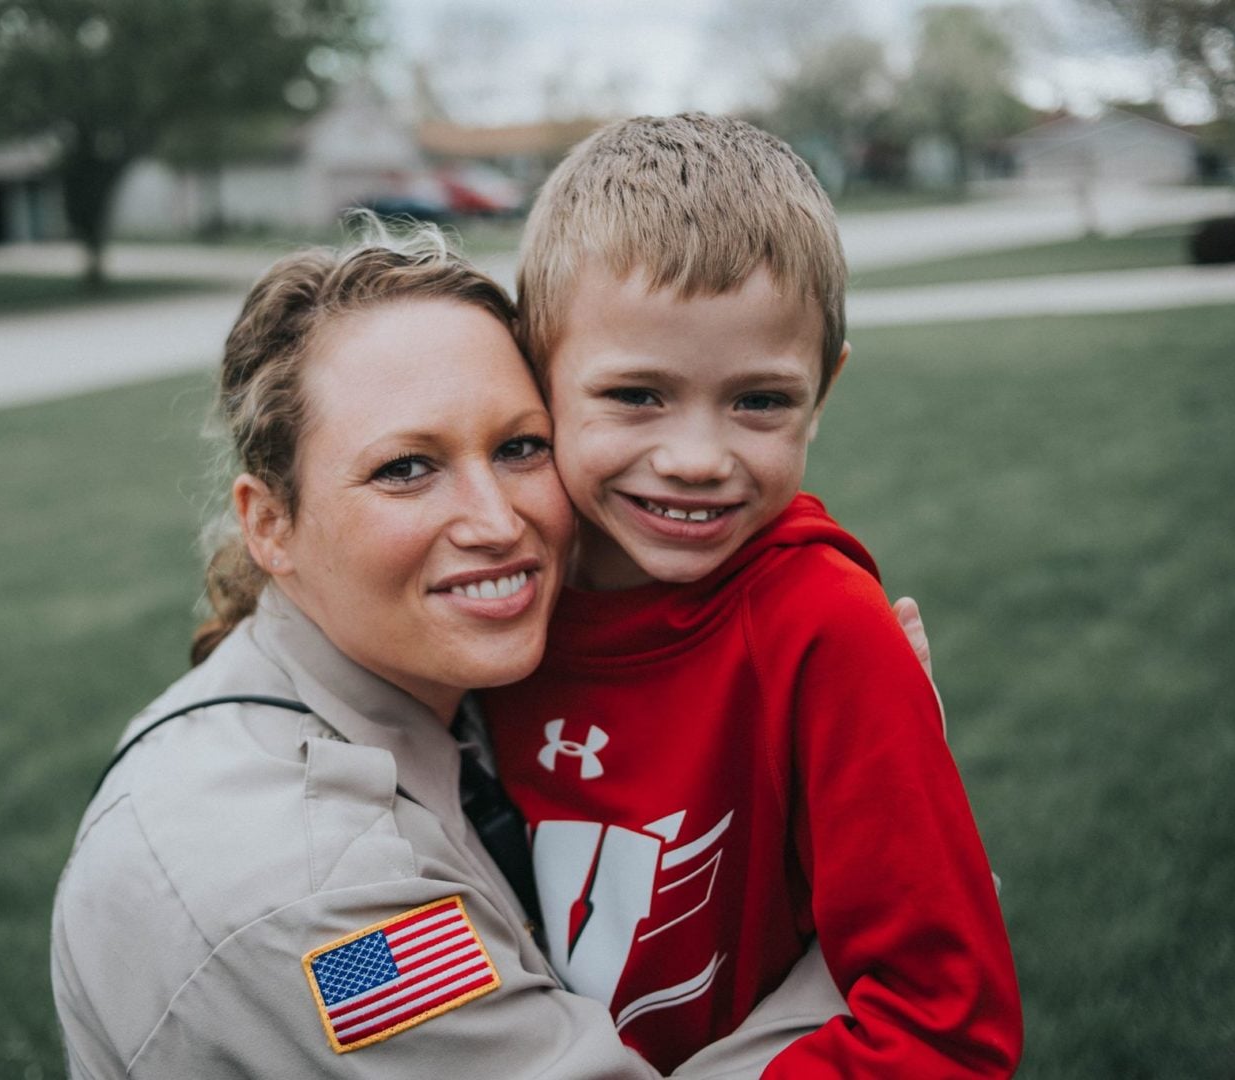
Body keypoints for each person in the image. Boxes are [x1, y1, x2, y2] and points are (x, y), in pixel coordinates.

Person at [49, 228, 854, 1078]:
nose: (498, 522)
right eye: (405, 468)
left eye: (518, 447)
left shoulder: (426, 687)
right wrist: (885, 875)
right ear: (269, 525)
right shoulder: (328, 906)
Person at [482, 113, 1024, 1074]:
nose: (696, 460)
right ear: (537, 372)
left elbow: (945, 1020)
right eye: (636, 395)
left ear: (823, 389)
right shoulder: (484, 597)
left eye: (760, 401)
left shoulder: (824, 630)